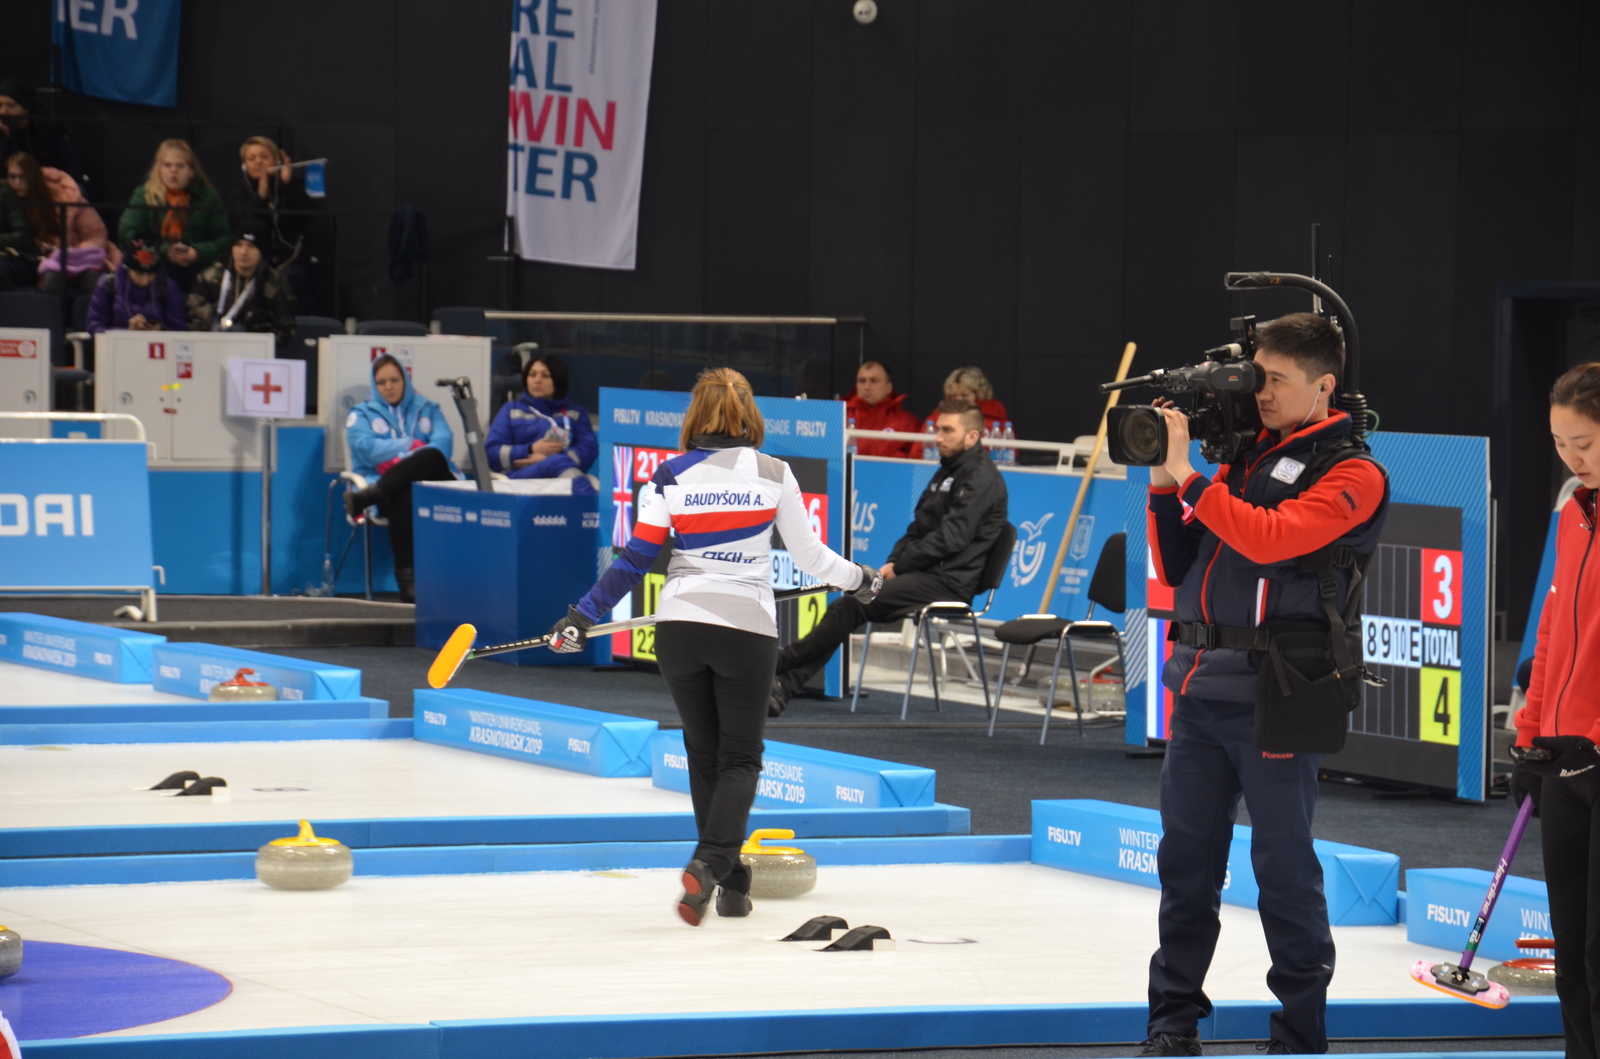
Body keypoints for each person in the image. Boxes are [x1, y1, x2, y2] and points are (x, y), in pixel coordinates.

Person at [545, 368, 880, 925]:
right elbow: (813, 559)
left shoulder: (670, 475)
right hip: (745, 628)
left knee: (705, 755)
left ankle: (732, 882)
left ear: (695, 416)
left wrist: (581, 616)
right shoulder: (776, 473)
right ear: (751, 415)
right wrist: (863, 580)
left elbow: (634, 561)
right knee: (741, 757)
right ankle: (713, 860)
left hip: (678, 627)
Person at [1139, 313, 1389, 1057]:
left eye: (1276, 379)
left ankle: (1299, 1033)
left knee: (1283, 872)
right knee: (1184, 866)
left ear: (1324, 384)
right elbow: (1182, 565)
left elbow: (1268, 538)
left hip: (1281, 692)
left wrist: (1191, 476)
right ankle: (1171, 1022)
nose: (1261, 392)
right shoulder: (1245, 456)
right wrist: (1164, 481)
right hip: (1200, 688)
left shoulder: (1353, 472)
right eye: (1256, 375)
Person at [768, 398, 1009, 716]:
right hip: (925, 573)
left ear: (973, 437)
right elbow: (917, 528)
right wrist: (894, 563)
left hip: (951, 582)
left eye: (948, 431)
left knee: (853, 603)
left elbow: (951, 540)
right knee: (852, 603)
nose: (938, 438)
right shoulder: (947, 471)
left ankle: (779, 666)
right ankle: (783, 684)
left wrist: (900, 566)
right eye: (938, 429)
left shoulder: (980, 479)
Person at [1510, 362, 1600, 1059]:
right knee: (1571, 945)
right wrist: (1531, 729)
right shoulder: (1573, 510)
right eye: (1561, 442)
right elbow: (1551, 629)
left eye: (1587, 443)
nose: (1572, 458)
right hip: (1565, 751)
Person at [342, 354, 458, 603]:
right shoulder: (361, 413)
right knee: (405, 492)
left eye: (394, 380)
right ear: (375, 384)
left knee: (433, 456)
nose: (389, 387)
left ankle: (368, 497)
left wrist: (403, 459)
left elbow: (443, 446)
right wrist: (412, 445)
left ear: (405, 380)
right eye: (382, 382)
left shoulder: (428, 408)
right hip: (393, 490)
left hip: (435, 483)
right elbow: (365, 448)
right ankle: (409, 584)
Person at [116, 139, 232, 292]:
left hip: (199, 265)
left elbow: (225, 239)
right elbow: (127, 233)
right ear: (159, 169)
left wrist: (197, 253)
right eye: (167, 165)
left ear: (191, 171)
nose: (173, 171)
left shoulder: (208, 197)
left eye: (180, 166)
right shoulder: (144, 194)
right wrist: (164, 251)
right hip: (156, 263)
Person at [5, 151, 112, 300]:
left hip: (81, 257)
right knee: (52, 279)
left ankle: (90, 323)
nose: (17, 183)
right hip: (48, 262)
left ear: (33, 177)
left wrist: (74, 253)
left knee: (92, 280)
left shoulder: (65, 196)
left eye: (22, 177)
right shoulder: (11, 202)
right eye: (12, 177)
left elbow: (96, 232)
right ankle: (54, 323)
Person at [226, 135, 317, 310]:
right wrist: (260, 196)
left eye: (264, 156)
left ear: (276, 160)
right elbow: (241, 224)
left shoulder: (291, 185)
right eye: (251, 159)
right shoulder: (240, 191)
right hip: (255, 262)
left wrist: (286, 185)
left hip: (290, 259)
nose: (258, 162)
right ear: (245, 165)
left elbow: (308, 215)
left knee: (295, 278)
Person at [484, 353, 597, 480]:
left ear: (558, 381)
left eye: (545, 376)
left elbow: (588, 451)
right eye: (532, 375)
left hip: (560, 477)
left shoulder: (576, 414)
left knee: (556, 463)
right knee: (557, 464)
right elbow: (491, 453)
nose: (537, 380)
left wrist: (547, 459)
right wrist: (530, 450)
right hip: (518, 477)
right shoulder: (511, 410)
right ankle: (586, 495)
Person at [186, 222, 296, 351]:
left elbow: (286, 329)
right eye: (238, 245)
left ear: (261, 251)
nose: (243, 252)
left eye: (251, 246)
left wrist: (258, 339)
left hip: (256, 353)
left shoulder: (276, 282)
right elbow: (195, 325)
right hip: (211, 348)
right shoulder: (209, 277)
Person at [85, 233, 186, 334]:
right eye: (139, 274)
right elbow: (94, 328)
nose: (145, 280)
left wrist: (161, 331)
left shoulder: (168, 287)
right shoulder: (108, 284)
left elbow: (179, 328)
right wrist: (127, 332)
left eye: (151, 274)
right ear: (127, 269)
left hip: (158, 347)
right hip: (117, 347)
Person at [0, 79, 79, 177]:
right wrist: (6, 140)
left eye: (11, 106)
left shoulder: (47, 129)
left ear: (26, 108)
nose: (3, 111)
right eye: (0, 105)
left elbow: (70, 167)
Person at [845, 360, 921, 458]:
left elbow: (920, 465)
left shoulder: (909, 423)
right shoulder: (839, 417)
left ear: (889, 387)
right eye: (862, 381)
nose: (867, 387)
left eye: (874, 381)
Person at [921, 365, 1011, 439]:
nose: (959, 400)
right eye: (953, 396)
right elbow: (918, 452)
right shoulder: (937, 418)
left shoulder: (996, 421)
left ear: (978, 394)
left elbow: (1009, 454)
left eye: (964, 396)